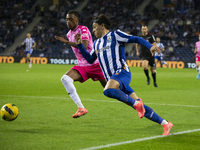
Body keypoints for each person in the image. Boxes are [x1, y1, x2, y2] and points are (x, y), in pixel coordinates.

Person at [75, 14, 173, 135]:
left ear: (102, 26)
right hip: (114, 79)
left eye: (95, 27)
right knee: (138, 106)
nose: (93, 30)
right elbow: (90, 59)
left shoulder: (115, 35)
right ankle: (165, 123)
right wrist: (80, 45)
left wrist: (150, 46)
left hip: (122, 72)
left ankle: (137, 103)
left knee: (107, 91)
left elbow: (137, 39)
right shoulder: (96, 44)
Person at [54, 10, 107, 118]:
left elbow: (84, 44)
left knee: (111, 91)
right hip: (82, 66)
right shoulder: (69, 34)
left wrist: (67, 42)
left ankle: (134, 101)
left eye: (71, 19)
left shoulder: (83, 29)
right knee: (65, 79)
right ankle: (81, 108)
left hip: (95, 64)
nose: (68, 21)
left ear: (77, 20)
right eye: (67, 19)